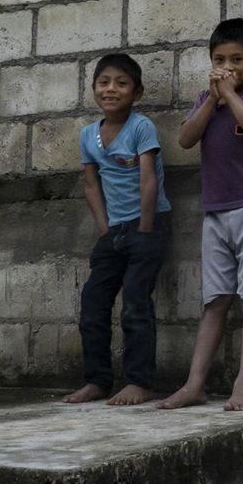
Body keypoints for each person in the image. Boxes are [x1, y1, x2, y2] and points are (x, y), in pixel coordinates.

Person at [158, 18, 243, 412]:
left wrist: (231, 95)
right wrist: (213, 99)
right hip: (216, 213)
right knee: (214, 301)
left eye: (237, 59)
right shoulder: (204, 100)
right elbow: (184, 139)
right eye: (219, 59)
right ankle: (194, 384)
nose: (228, 65)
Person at [63, 54, 171, 406]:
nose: (111, 89)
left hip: (147, 226)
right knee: (93, 304)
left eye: (121, 83)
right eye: (104, 82)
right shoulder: (87, 135)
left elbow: (148, 178)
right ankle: (97, 380)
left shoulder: (141, 127)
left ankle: (140, 382)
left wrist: (144, 227)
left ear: (136, 92)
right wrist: (105, 229)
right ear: (94, 89)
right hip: (113, 232)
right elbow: (91, 185)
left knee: (135, 305)